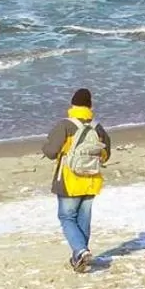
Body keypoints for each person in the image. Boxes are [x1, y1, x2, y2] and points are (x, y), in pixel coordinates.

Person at [41, 88, 112, 272]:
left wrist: (46, 146)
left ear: (72, 105)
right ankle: (79, 258)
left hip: (69, 179)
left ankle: (81, 251)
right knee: (83, 220)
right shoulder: (97, 127)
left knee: (66, 217)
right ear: (90, 106)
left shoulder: (65, 125)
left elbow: (51, 152)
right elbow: (106, 154)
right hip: (92, 180)